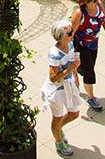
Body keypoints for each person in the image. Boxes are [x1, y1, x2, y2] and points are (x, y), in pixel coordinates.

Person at [41, 20, 82, 156]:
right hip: (56, 89)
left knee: (74, 113)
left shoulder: (70, 45)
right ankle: (58, 142)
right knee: (57, 117)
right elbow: (53, 78)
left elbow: (72, 62)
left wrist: (75, 77)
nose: (73, 34)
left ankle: (59, 129)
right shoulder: (55, 53)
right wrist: (70, 68)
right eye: (70, 33)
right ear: (62, 36)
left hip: (68, 85)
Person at [69, 0, 105, 110]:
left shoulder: (99, 5)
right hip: (81, 45)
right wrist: (68, 49)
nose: (96, 0)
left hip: (93, 44)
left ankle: (77, 69)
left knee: (88, 67)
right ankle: (91, 97)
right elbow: (71, 33)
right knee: (89, 72)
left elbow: (104, 20)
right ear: (85, 2)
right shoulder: (79, 13)